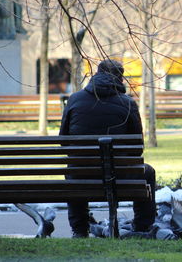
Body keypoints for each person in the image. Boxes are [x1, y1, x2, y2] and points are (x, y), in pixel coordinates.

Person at [59, 59, 156, 238]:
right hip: (118, 175)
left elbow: (63, 141)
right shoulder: (127, 103)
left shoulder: (74, 99)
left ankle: (79, 229)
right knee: (148, 172)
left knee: (72, 171)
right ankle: (143, 226)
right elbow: (137, 148)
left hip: (81, 172)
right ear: (120, 78)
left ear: (97, 73)